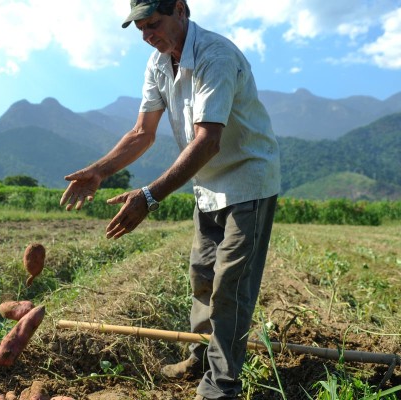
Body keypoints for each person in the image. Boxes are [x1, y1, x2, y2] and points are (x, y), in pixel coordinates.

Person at [60, 1, 281, 398]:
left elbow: (208, 140)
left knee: (230, 287)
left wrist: (149, 196)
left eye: (154, 24)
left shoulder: (216, 56)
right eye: (141, 29)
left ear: (180, 10)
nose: (148, 36)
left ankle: (220, 386)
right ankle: (201, 357)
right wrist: (99, 171)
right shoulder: (160, 62)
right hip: (208, 186)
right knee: (202, 276)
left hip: (248, 181)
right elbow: (142, 132)